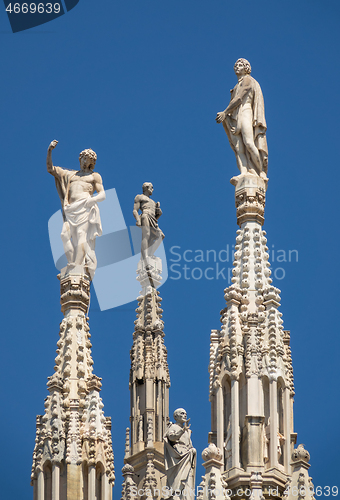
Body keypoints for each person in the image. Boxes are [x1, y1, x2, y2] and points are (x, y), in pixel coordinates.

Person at [47, 140, 105, 277]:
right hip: (70, 209)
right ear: (80, 159)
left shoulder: (94, 176)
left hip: (85, 207)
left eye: (89, 159)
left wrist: (91, 200)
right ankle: (72, 262)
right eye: (84, 158)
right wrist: (49, 150)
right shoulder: (70, 174)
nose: (86, 160)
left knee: (81, 235)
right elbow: (50, 169)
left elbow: (102, 194)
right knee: (64, 235)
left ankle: (77, 265)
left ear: (92, 162)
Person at [216, 58, 268, 179]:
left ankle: (261, 172)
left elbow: (239, 98)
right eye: (236, 65)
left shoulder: (248, 80)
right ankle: (244, 171)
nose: (237, 66)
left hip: (246, 112)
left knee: (249, 143)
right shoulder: (236, 85)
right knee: (238, 147)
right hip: (235, 116)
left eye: (240, 65)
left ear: (246, 68)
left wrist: (225, 112)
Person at [164, 408, 196, 500]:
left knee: (187, 480)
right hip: (178, 455)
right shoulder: (173, 427)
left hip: (187, 456)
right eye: (182, 413)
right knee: (178, 479)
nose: (185, 415)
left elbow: (189, 444)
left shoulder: (187, 431)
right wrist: (182, 430)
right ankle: (176, 493)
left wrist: (192, 450)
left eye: (185, 413)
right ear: (176, 416)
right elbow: (171, 437)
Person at [133, 182, 164, 262]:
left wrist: (159, 214)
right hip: (145, 215)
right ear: (146, 188)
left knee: (161, 235)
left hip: (152, 219)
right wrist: (138, 220)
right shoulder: (139, 197)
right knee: (146, 235)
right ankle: (145, 256)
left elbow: (155, 218)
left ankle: (150, 253)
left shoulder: (153, 202)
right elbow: (135, 211)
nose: (152, 190)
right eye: (151, 187)